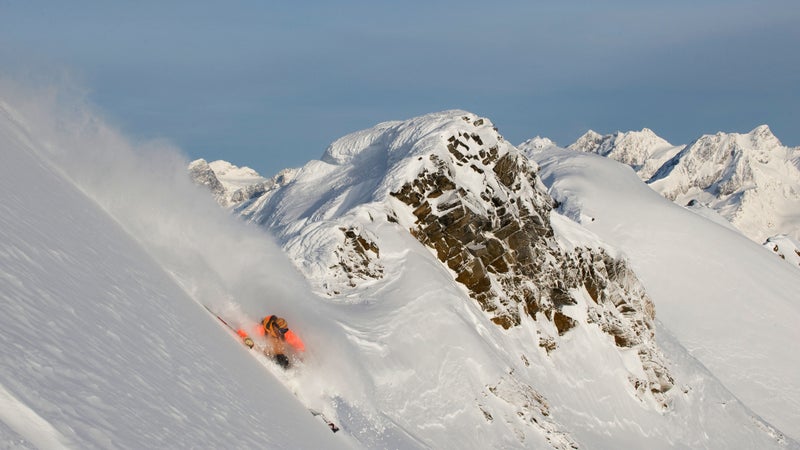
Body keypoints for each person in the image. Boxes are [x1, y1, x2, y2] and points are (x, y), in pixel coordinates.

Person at [239, 315, 305, 369]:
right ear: (275, 327)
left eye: (284, 331)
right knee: (280, 360)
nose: (283, 333)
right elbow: (244, 329)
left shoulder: (284, 334)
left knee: (284, 361)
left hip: (278, 353)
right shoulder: (262, 330)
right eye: (281, 331)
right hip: (266, 351)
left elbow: (298, 343)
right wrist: (247, 338)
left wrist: (300, 354)